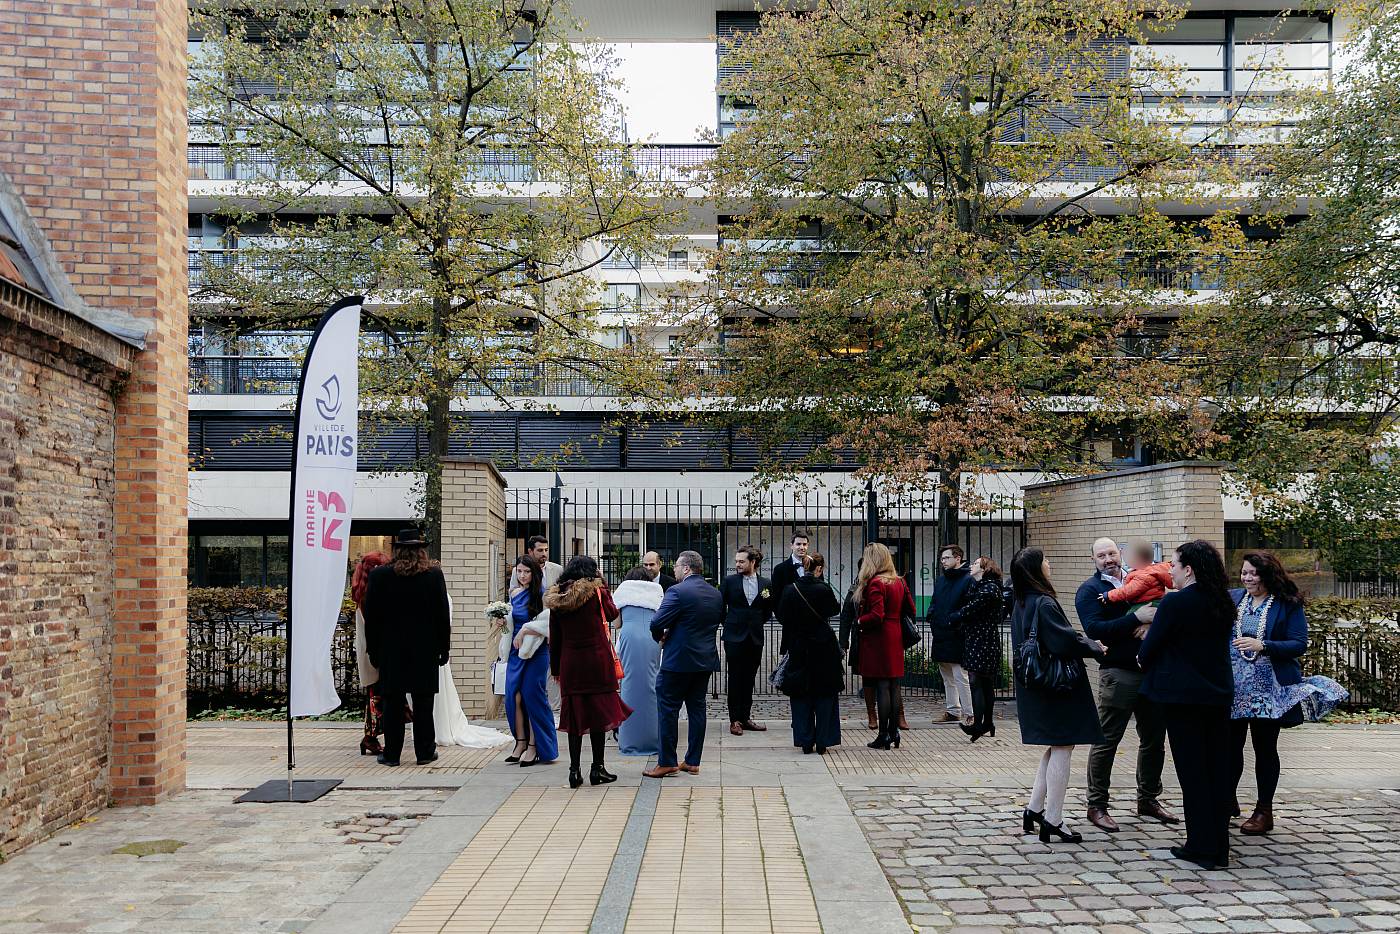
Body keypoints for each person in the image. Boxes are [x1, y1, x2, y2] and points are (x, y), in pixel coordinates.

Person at [1228, 550, 1345, 835]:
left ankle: (1263, 811)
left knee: (1264, 748)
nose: (1247, 577)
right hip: (1233, 687)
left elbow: (1298, 643)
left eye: (1253, 573)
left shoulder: (1286, 604)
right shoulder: (1232, 598)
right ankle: (1226, 799)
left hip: (1269, 689)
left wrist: (1263, 645)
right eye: (1244, 572)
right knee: (1229, 748)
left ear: (1267, 575)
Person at [1138, 540, 1236, 871]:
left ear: (1189, 569)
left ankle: (1201, 845)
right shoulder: (1224, 601)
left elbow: (1150, 649)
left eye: (1175, 566)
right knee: (1217, 770)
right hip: (1218, 695)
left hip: (1183, 699)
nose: (1172, 571)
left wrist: (1143, 654)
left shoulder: (1175, 604)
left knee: (1193, 773)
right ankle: (1218, 845)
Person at [1076, 537, 1175, 833]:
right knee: (1107, 740)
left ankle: (1148, 798)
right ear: (1093, 559)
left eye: (1111, 553)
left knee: (1155, 740)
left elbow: (1166, 612)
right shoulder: (1090, 591)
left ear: (1120, 554)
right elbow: (1094, 629)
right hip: (1119, 673)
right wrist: (1136, 620)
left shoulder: (1143, 578)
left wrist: (1151, 621)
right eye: (1101, 555)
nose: (1108, 559)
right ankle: (1097, 804)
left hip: (1152, 671)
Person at [1010, 547, 1106, 844]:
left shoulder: (1022, 601)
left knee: (1054, 746)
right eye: (1044, 561)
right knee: (1063, 746)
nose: (1049, 564)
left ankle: (1035, 809)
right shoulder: (1044, 602)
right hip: (1056, 686)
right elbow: (1063, 640)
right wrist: (1095, 647)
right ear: (1035, 570)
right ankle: (1053, 819)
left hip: (1035, 684)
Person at [362, 529, 451, 767]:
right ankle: (424, 752)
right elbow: (442, 615)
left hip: (391, 651)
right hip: (425, 649)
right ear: (421, 551)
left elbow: (372, 618)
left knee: (392, 703)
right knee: (424, 703)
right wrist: (444, 648)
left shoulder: (380, 576)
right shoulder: (433, 575)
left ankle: (392, 754)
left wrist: (373, 650)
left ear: (397, 550)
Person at [546, 556, 632, 788]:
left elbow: (555, 637)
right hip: (597, 661)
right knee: (598, 716)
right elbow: (613, 615)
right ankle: (598, 768)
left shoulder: (557, 598)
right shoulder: (597, 593)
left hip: (571, 662)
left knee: (574, 716)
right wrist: (602, 585)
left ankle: (574, 771)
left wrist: (556, 667)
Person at [643, 550, 723, 778]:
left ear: (686, 568)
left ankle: (667, 761)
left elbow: (657, 621)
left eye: (677, 566)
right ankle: (693, 761)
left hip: (677, 660)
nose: (674, 570)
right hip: (705, 659)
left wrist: (660, 636)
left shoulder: (677, 591)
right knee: (697, 709)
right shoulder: (715, 594)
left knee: (668, 709)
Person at [776, 554, 844, 754]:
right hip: (823, 646)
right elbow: (834, 609)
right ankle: (823, 739)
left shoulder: (790, 590)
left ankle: (805, 740)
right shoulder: (823, 589)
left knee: (800, 694)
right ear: (819, 569)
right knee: (825, 694)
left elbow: (781, 614)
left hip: (798, 645)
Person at [855, 542, 915, 750]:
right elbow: (912, 609)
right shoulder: (898, 581)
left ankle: (884, 735)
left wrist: (861, 621)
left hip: (878, 638)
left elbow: (876, 615)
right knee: (893, 685)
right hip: (895, 634)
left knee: (881, 685)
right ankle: (893, 731)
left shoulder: (876, 583)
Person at [504, 555, 558, 767]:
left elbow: (548, 625)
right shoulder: (514, 593)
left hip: (536, 652)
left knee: (532, 696)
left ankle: (535, 747)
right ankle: (520, 742)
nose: (522, 575)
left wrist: (526, 629)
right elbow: (511, 623)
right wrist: (503, 622)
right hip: (516, 652)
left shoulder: (543, 595)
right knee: (514, 697)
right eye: (519, 571)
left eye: (526, 571)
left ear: (534, 573)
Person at [720, 545, 774, 736]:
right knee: (735, 677)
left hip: (755, 637)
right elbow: (721, 606)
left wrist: (757, 622)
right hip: (734, 637)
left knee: (749, 678)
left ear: (753, 562)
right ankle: (734, 719)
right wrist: (729, 623)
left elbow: (768, 608)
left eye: (742, 561)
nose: (738, 564)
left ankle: (745, 717)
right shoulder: (729, 581)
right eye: (736, 561)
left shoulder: (766, 584)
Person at [951, 556, 1004, 741]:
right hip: (982, 638)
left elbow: (970, 609)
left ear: (983, 568)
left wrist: (952, 616)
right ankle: (986, 723)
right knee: (984, 683)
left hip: (982, 640)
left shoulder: (988, 588)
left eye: (975, 563)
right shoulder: (983, 586)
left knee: (977, 681)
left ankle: (979, 724)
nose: (971, 566)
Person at [614, 566, 664, 756]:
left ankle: (630, 741)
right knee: (651, 684)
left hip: (630, 636)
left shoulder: (623, 589)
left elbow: (617, 623)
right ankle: (653, 740)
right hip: (653, 637)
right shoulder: (656, 591)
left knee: (628, 684)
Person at [352, 550, 393, 756]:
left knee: (374, 696)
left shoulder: (363, 591)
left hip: (369, 650)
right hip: (375, 651)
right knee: (377, 697)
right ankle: (370, 737)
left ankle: (370, 737)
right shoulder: (371, 595)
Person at [928, 544, 974, 725]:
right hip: (941, 631)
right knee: (946, 674)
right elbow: (934, 601)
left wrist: (956, 621)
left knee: (960, 675)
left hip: (957, 633)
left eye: (947, 558)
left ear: (958, 558)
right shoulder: (941, 580)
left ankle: (970, 713)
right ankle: (953, 710)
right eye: (942, 558)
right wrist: (932, 616)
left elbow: (969, 607)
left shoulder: (968, 579)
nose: (943, 562)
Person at [1099, 541, 1172, 609]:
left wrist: (1108, 596)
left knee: (1129, 616)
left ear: (1138, 559)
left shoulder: (1143, 576)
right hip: (1154, 601)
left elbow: (1128, 591)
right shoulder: (1150, 570)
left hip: (1146, 603)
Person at [768, 531, 810, 608]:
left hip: (812, 617)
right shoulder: (780, 569)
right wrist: (782, 616)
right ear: (791, 546)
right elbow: (775, 596)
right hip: (789, 616)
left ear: (808, 545)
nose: (802, 547)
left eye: (804, 544)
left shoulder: (814, 565)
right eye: (798, 544)